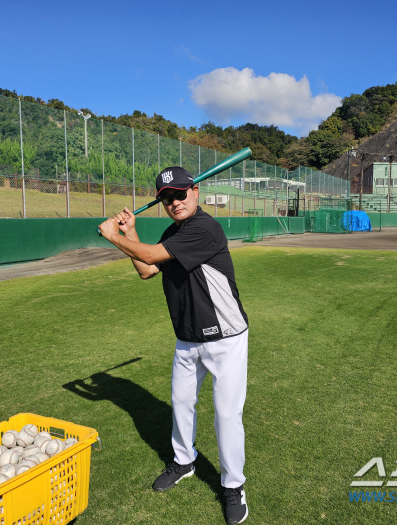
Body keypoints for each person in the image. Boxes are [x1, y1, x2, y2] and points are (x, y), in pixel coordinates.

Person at [98, 166, 250, 525]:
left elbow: (150, 257)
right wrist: (131, 234)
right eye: (166, 198)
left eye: (180, 194)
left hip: (225, 337)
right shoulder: (172, 233)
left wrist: (114, 237)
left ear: (194, 192)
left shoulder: (205, 229)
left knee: (226, 413)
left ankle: (233, 485)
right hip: (187, 336)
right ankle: (184, 461)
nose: (174, 202)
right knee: (181, 403)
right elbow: (147, 270)